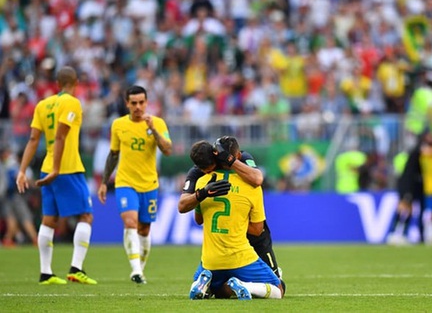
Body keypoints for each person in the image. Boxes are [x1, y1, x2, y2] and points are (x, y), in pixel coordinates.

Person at [16, 66, 97, 285]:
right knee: (86, 216)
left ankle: (45, 273)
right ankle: (76, 269)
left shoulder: (43, 105)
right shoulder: (72, 102)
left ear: (57, 83)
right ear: (76, 82)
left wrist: (22, 171)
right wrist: (57, 169)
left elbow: (33, 140)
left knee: (49, 219)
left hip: (46, 166)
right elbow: (61, 135)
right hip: (66, 168)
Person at [179, 140, 284, 300]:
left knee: (220, 291)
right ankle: (246, 284)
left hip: (214, 255)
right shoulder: (251, 187)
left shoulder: (203, 181)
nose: (207, 172)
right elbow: (257, 229)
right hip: (242, 249)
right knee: (279, 287)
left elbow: (198, 219)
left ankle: (203, 285)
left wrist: (201, 194)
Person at [97, 85, 172, 284]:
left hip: (149, 184)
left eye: (141, 102)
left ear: (146, 103)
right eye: (134, 103)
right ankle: (136, 270)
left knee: (144, 229)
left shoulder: (157, 123)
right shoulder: (118, 125)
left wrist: (153, 131)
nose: (138, 107)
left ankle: (140, 270)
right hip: (125, 182)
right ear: (127, 104)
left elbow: (167, 150)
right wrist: (104, 182)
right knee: (130, 222)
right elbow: (113, 155)